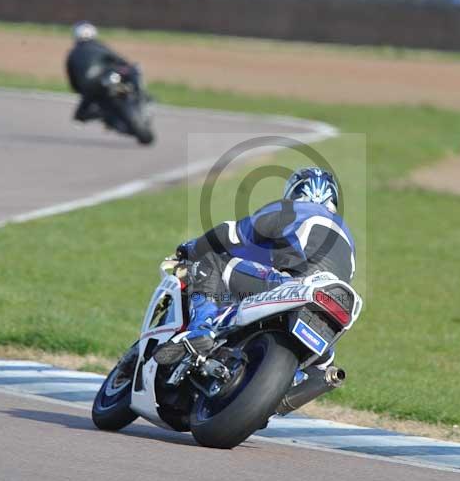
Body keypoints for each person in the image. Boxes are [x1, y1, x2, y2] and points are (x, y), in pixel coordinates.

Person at [154, 167, 355, 365]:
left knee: (211, 259)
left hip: (292, 285)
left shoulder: (290, 209)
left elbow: (231, 234)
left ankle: (201, 329)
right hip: (330, 304)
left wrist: (192, 248)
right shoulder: (348, 239)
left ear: (294, 191)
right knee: (324, 366)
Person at [66, 21, 136, 123]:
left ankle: (106, 113)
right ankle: (111, 112)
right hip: (105, 80)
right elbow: (118, 59)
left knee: (79, 115)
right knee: (131, 73)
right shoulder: (99, 46)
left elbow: (73, 79)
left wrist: (79, 90)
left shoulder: (73, 53)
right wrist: (127, 66)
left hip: (90, 88)